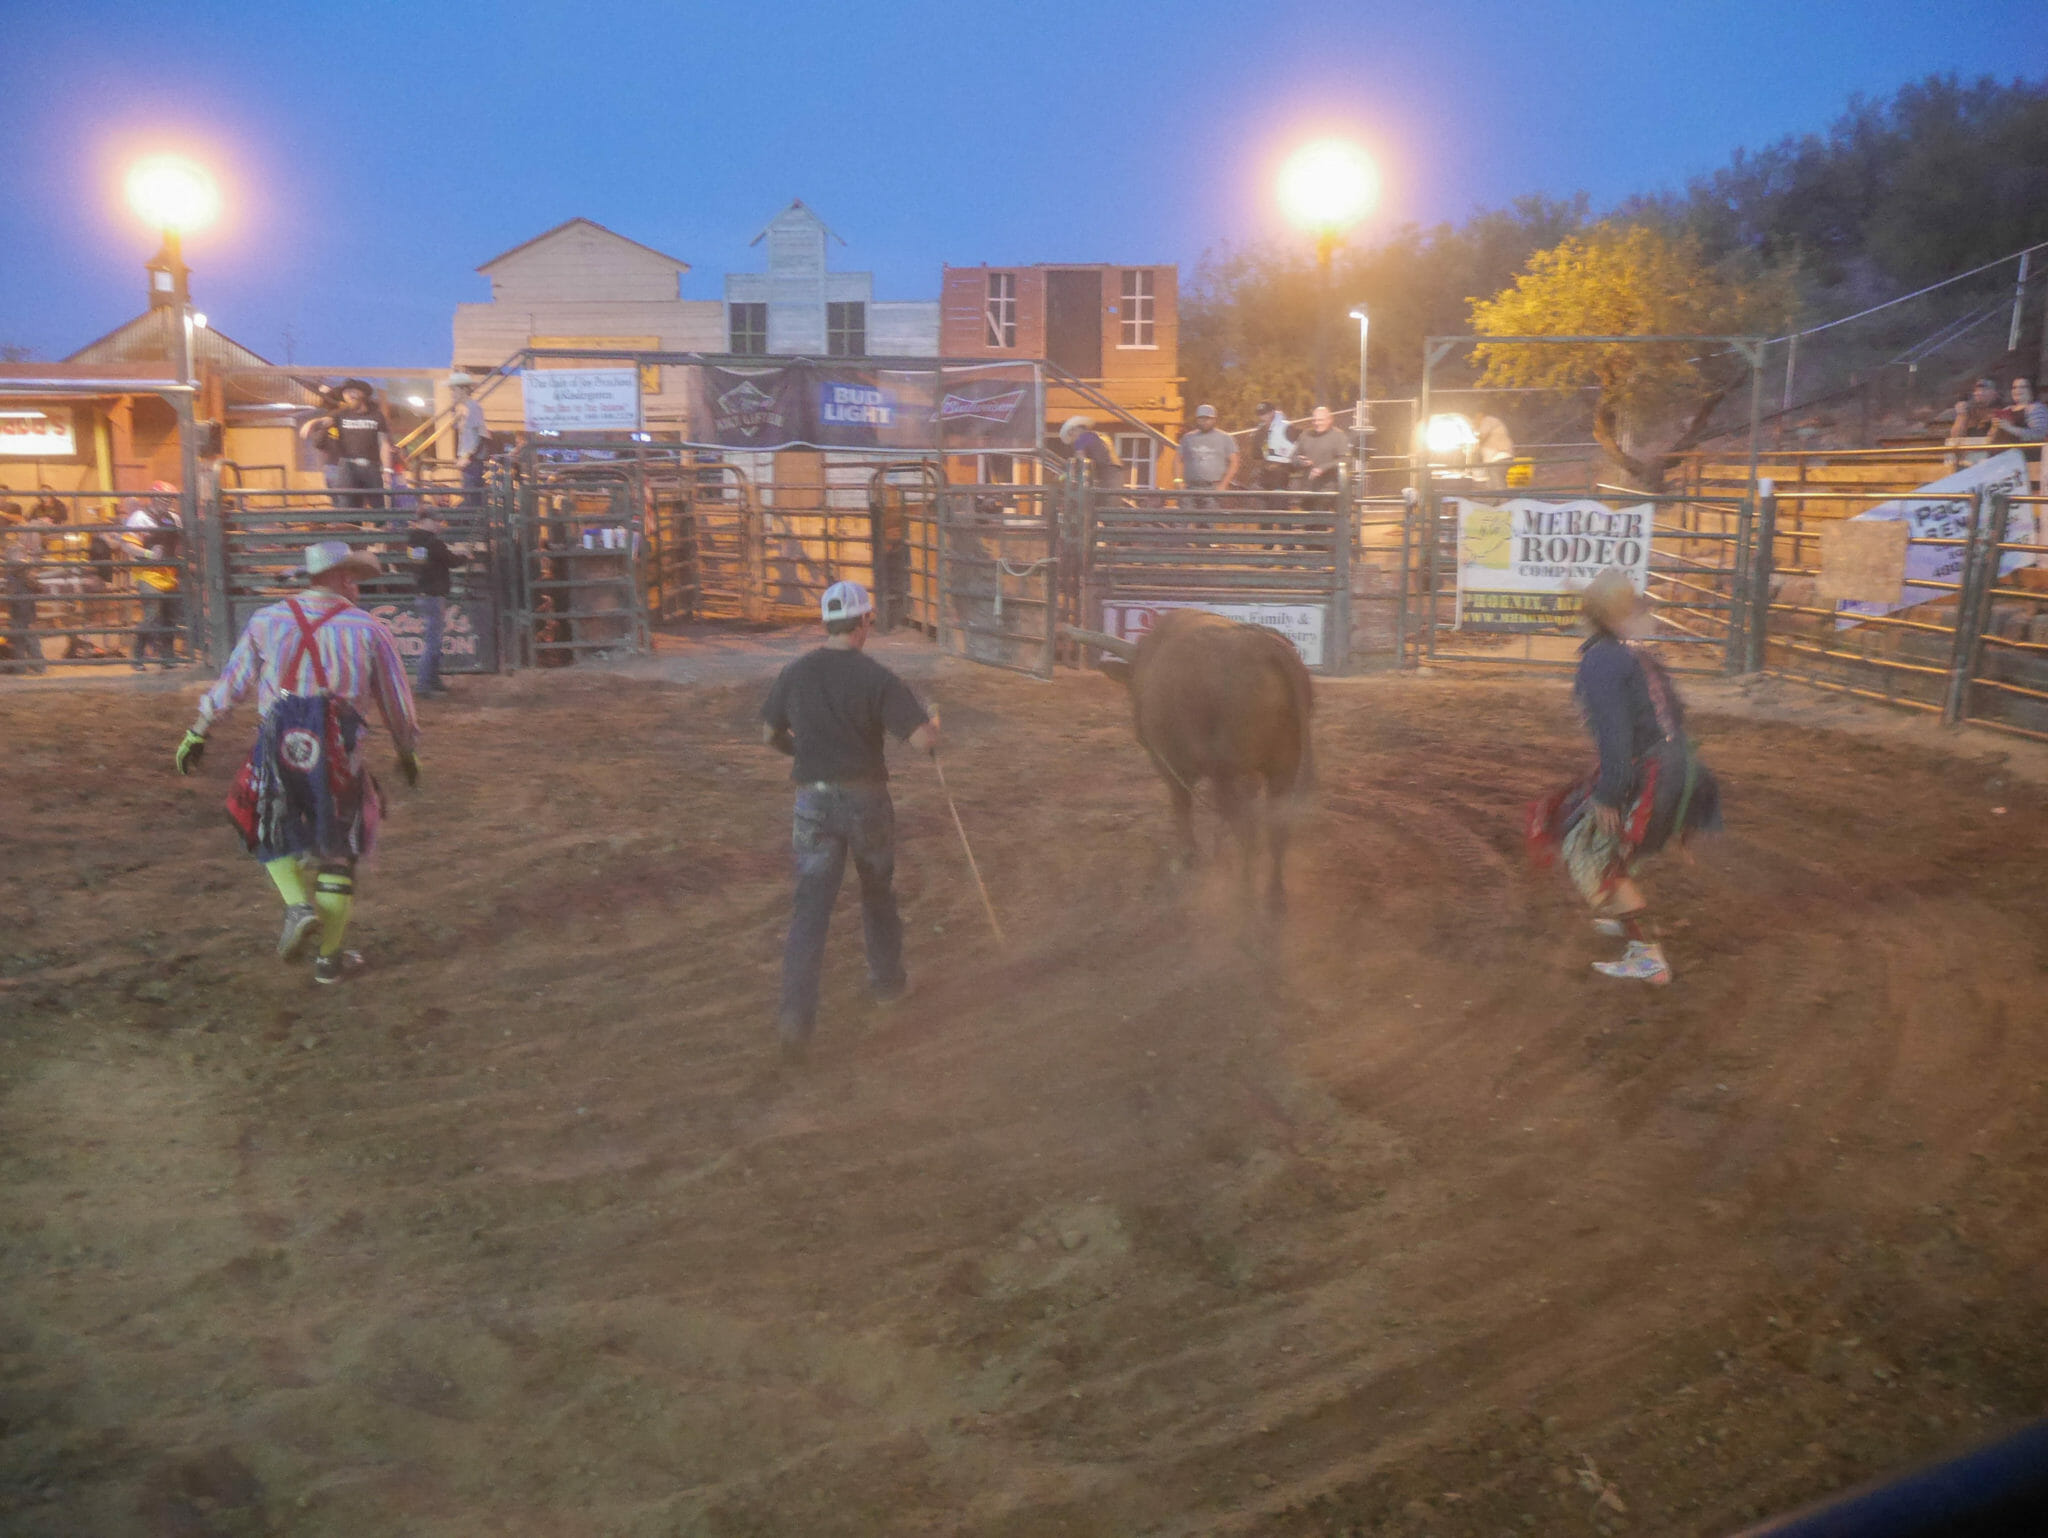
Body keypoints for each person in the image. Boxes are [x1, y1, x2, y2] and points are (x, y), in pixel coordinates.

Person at [174, 540, 421, 986]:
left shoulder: (267, 620)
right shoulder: (369, 629)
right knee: (338, 847)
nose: (360, 588)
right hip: (339, 752)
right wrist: (407, 750)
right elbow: (396, 702)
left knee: (258, 815)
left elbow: (234, 682)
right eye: (356, 579)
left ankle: (296, 904)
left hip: (278, 744)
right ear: (342, 579)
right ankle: (329, 959)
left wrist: (199, 730)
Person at [759, 580, 940, 1053]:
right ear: (862, 624)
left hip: (813, 802)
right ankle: (886, 984)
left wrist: (802, 752)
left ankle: (796, 1016)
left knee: (810, 909)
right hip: (866, 801)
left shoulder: (796, 673)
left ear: (825, 622)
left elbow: (768, 733)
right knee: (877, 892)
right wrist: (935, 724)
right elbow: (923, 741)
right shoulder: (876, 678)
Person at [1526, 569, 1721, 985]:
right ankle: (1625, 920)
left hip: (1652, 773)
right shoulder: (1637, 652)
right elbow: (1676, 714)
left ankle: (1646, 954)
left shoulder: (1600, 660)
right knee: (1597, 834)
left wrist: (1610, 793)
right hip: (1682, 770)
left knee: (1588, 844)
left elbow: (1615, 734)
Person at [404, 508, 467, 695]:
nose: (439, 524)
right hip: (433, 594)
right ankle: (425, 684)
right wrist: (465, 555)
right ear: (424, 521)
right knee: (433, 641)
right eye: (436, 521)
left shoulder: (414, 542)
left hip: (424, 593)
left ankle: (432, 680)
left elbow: (422, 564)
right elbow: (452, 561)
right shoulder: (433, 543)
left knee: (434, 639)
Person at [123, 498, 183, 667]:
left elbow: (178, 543)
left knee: (169, 617)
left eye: (169, 500)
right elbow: (128, 545)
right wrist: (148, 554)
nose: (166, 503)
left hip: (169, 573)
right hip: (147, 573)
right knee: (152, 614)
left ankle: (167, 657)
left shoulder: (174, 518)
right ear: (154, 499)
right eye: (163, 499)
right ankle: (137, 655)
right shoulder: (139, 518)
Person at [326, 379, 391, 511]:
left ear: (363, 394)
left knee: (379, 504)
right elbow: (325, 421)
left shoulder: (377, 416)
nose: (348, 396)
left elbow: (384, 443)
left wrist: (387, 469)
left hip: (371, 465)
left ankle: (382, 528)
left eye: (352, 391)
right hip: (347, 465)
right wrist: (313, 423)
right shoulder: (340, 414)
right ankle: (351, 530)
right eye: (345, 393)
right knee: (348, 506)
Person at [1, 503, 44, 675]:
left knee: (23, 626)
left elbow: (21, 563)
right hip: (19, 585)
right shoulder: (14, 536)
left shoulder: (17, 538)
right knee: (19, 626)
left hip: (21, 586)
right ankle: (25, 665)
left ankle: (37, 665)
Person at [1176, 404, 1239, 508]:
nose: (1204, 421)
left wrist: (1224, 484)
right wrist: (1178, 482)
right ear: (1197, 419)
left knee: (1209, 521)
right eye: (1201, 418)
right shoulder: (1188, 438)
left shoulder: (1225, 438)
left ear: (1214, 419)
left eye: (1208, 418)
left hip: (1213, 488)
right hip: (1190, 488)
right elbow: (1177, 460)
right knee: (1185, 520)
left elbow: (1234, 462)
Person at [1290, 405, 1352, 493]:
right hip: (1308, 487)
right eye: (1314, 420)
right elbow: (1293, 457)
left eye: (1320, 420)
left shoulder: (1339, 436)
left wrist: (1323, 468)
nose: (1317, 423)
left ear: (1329, 420)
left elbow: (1346, 459)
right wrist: (1300, 462)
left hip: (1329, 489)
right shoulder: (1306, 435)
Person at [1986, 375, 2048, 453]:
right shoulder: (2006, 409)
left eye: (2022, 387)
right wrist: (1994, 428)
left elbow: (2039, 435)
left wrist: (2010, 428)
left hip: (2025, 458)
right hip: (2001, 456)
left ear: (2031, 390)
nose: (2017, 390)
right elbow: (1991, 438)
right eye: (2014, 387)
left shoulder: (2036, 408)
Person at [451, 374, 488, 495]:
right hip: (469, 461)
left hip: (472, 462)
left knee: (471, 498)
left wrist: (468, 457)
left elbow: (482, 435)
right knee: (470, 498)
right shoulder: (465, 408)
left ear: (464, 390)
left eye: (454, 390)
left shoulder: (473, 407)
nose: (452, 394)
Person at [1058, 415, 1121, 486]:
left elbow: (1081, 460)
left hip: (1104, 475)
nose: (1072, 437)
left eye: (1071, 433)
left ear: (1074, 429)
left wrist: (1066, 474)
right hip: (1116, 473)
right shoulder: (1100, 436)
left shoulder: (1081, 439)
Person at [1251, 401, 1297, 494]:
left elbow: (1296, 449)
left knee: (1277, 495)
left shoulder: (1286, 427)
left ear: (1273, 412)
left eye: (1266, 413)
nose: (1263, 417)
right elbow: (1256, 454)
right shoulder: (1260, 431)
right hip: (1266, 469)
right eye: (1260, 414)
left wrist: (1279, 462)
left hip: (1283, 469)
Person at [1948, 377, 2003, 443]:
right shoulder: (1969, 411)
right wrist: (1962, 415)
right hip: (1969, 449)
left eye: (1984, 390)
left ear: (1995, 393)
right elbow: (1955, 437)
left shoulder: (2003, 410)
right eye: (1976, 390)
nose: (1978, 393)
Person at [1475, 412, 1516, 490]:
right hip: (1501, 457)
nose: (1475, 421)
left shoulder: (1487, 420)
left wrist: (1475, 442)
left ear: (1480, 415)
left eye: (1475, 419)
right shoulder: (1494, 423)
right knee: (1492, 484)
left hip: (1498, 457)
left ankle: (1503, 499)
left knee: (1497, 483)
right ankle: (1498, 499)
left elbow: (1483, 435)